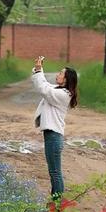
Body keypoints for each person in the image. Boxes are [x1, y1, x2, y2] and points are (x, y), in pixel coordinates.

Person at [30, 55, 78, 202]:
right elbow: (43, 84)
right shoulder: (59, 90)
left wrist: (39, 70)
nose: (58, 75)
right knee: (54, 172)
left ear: (66, 79)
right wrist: (38, 69)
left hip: (54, 137)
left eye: (60, 73)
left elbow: (43, 89)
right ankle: (55, 202)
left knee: (55, 172)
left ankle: (57, 204)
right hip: (52, 136)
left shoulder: (63, 94)